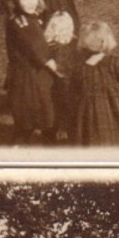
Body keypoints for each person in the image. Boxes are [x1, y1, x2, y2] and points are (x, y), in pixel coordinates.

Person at [5, 0, 59, 144]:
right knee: (31, 122)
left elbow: (39, 43)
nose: (31, 2)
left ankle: (49, 151)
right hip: (29, 78)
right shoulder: (21, 22)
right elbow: (36, 49)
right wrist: (59, 70)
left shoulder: (30, 18)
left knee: (44, 120)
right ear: (15, 0)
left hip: (35, 75)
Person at [43, 8, 79, 140]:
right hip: (65, 83)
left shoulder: (47, 46)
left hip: (53, 85)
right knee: (66, 106)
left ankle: (61, 128)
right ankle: (65, 129)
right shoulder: (67, 47)